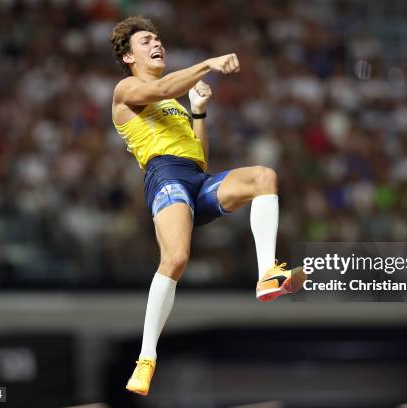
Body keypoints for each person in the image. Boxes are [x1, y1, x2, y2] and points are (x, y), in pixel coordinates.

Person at [110, 16, 305, 396]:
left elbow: (200, 157)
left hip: (194, 178)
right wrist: (208, 63)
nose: (157, 43)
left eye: (159, 38)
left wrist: (198, 111)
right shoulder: (126, 89)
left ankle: (268, 273)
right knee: (176, 259)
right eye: (147, 40)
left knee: (263, 176)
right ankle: (146, 357)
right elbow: (165, 86)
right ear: (128, 56)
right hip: (165, 178)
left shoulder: (174, 102)